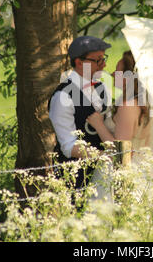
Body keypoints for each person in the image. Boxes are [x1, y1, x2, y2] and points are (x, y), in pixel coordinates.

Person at [86, 50, 153, 203]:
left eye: (117, 72)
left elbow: (121, 154)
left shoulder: (129, 106)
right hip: (143, 171)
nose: (111, 74)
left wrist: (98, 125)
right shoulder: (144, 102)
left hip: (126, 176)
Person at [48, 35, 111, 190]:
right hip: (75, 179)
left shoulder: (102, 88)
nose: (104, 65)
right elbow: (69, 147)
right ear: (79, 62)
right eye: (98, 60)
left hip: (106, 177)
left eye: (104, 59)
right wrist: (106, 157)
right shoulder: (62, 96)